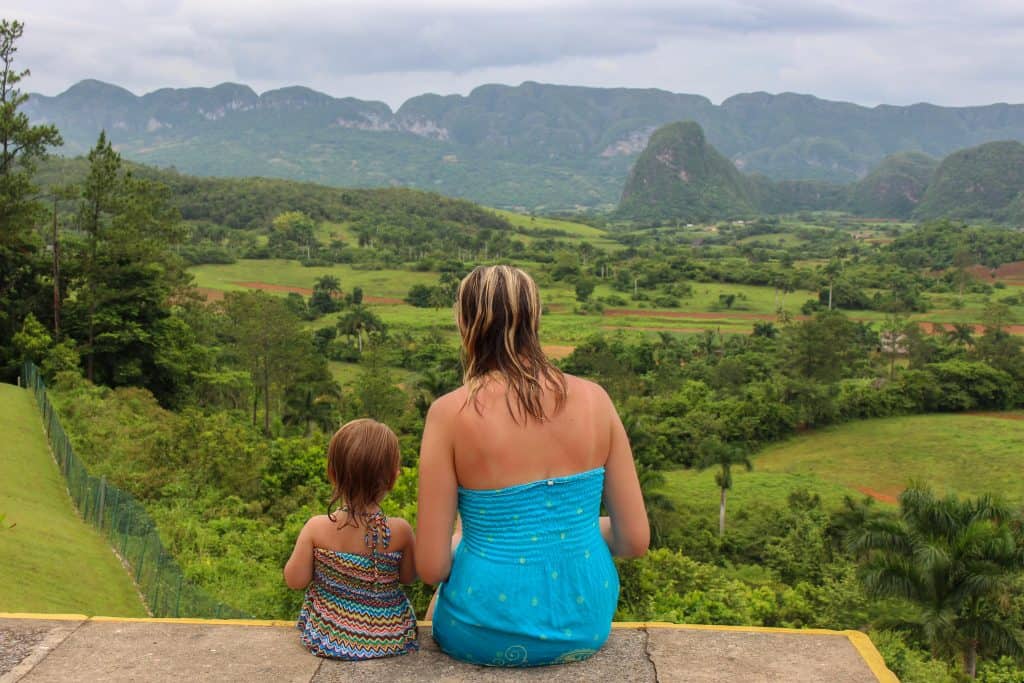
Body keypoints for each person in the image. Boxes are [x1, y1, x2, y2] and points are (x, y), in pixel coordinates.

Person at [416, 265, 649, 667]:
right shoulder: (596, 400)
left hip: (479, 632)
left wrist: (496, 535)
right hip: (586, 626)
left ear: (466, 323)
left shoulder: (449, 413)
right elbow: (634, 541)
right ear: (534, 318)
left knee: (440, 601)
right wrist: (556, 529)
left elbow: (432, 566)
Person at [284, 418, 418, 660]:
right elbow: (409, 578)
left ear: (332, 474)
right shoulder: (401, 531)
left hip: (328, 634)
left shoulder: (316, 528)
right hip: (390, 635)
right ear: (393, 478)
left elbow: (295, 580)